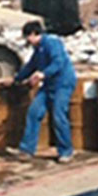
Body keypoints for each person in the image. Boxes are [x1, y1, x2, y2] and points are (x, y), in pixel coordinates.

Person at [14, 20, 77, 163]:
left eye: (27, 37)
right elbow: (30, 66)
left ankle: (66, 151)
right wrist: (16, 79)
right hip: (49, 85)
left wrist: (42, 74)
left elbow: (58, 62)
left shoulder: (52, 43)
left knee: (58, 116)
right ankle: (27, 149)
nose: (27, 41)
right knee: (34, 112)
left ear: (34, 34)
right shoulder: (38, 49)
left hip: (63, 84)